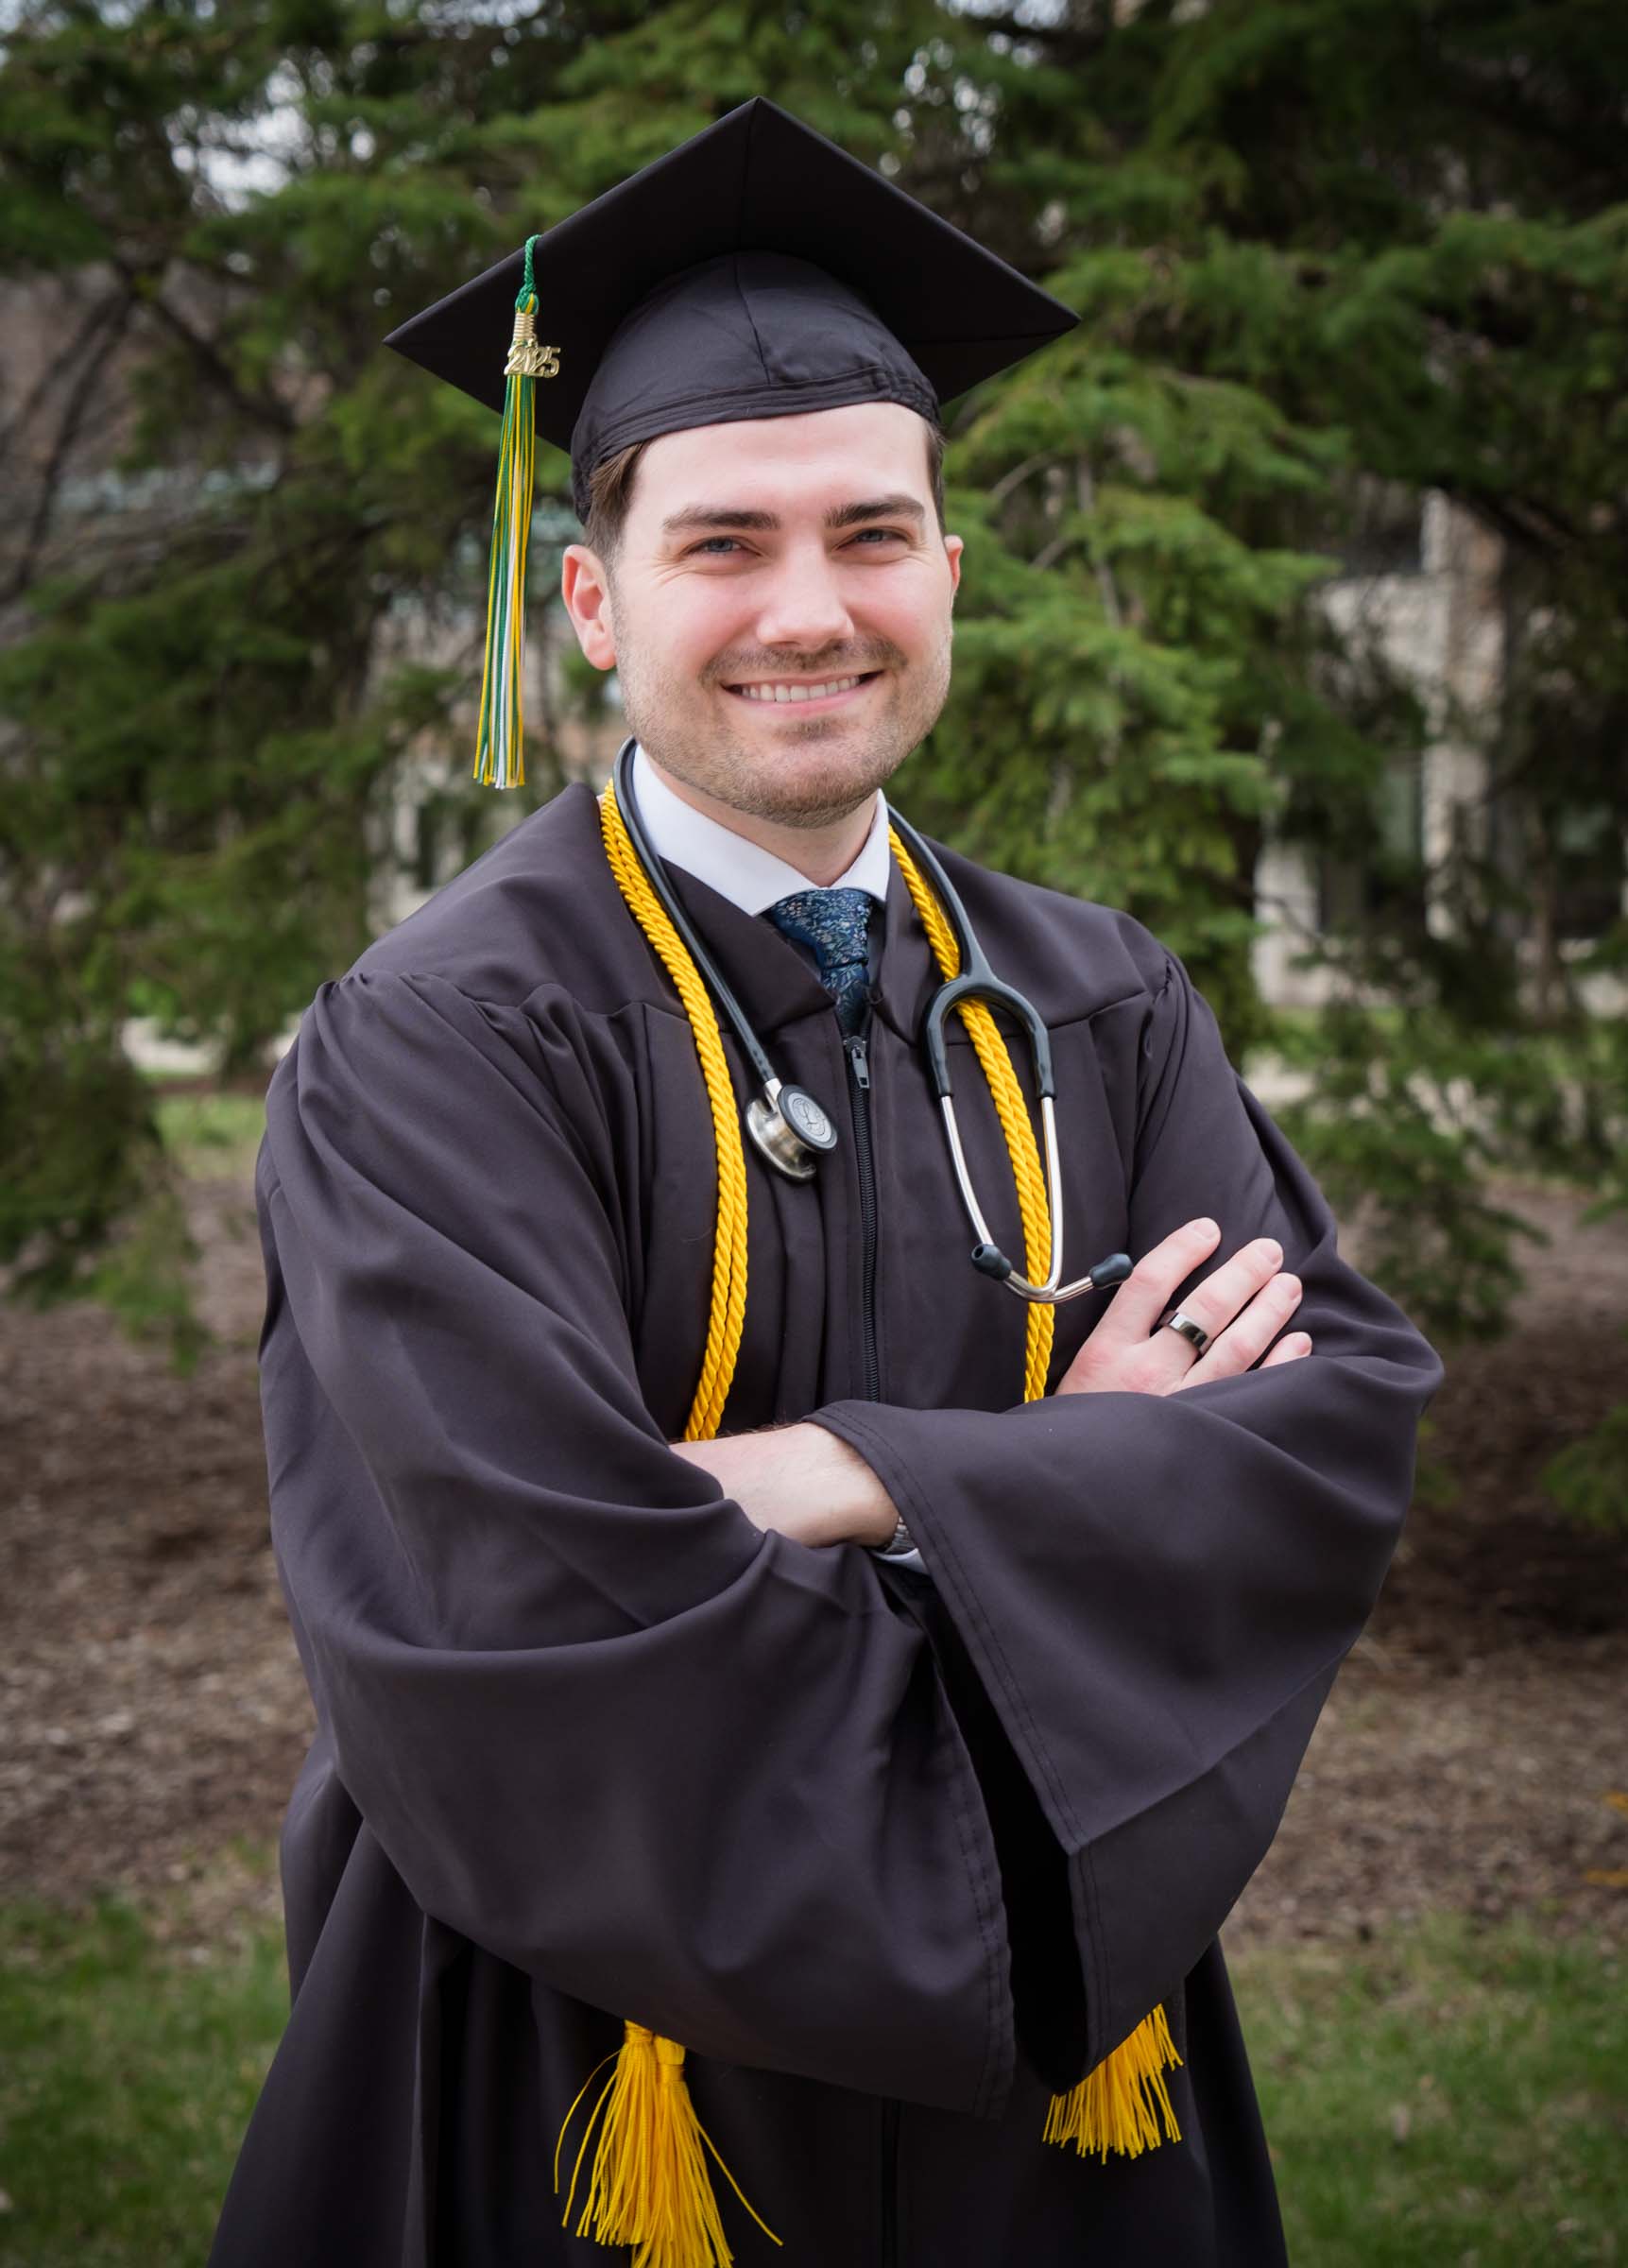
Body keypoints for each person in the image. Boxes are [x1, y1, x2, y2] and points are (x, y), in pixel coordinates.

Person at [208, 99, 1444, 2268]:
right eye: (724, 545)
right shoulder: (438, 1043)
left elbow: (1311, 1437)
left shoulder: (1096, 998)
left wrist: (806, 1478)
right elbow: (514, 1592)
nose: (813, 609)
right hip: (575, 2068)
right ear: (590, 599)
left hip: (1070, 2067)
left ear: (948, 575)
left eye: (872, 535)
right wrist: (1037, 1478)